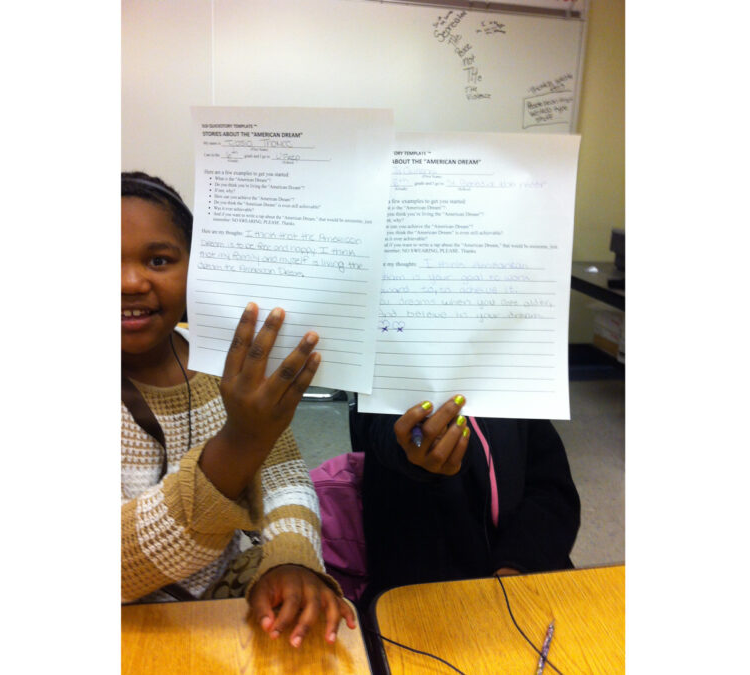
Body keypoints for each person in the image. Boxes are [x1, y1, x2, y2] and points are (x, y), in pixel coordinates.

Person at [120, 171, 355, 648]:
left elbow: (284, 475)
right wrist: (241, 441)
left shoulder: (219, 368)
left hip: (229, 603)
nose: (130, 282)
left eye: (160, 259)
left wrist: (290, 558)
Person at [351, 394, 581, 610]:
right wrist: (411, 447)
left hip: (531, 585)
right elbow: (376, 427)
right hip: (422, 600)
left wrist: (518, 566)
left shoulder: (517, 389)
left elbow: (552, 490)